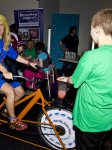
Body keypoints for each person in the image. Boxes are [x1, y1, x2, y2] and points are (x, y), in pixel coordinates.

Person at [57, 9, 112, 150]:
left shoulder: (91, 56)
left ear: (98, 28)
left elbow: (74, 81)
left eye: (91, 28)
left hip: (89, 120)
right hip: (107, 119)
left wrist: (66, 78)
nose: (90, 32)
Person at [0, 14, 36, 131]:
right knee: (10, 91)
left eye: (1, 25)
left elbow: (15, 56)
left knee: (20, 92)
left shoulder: (5, 41)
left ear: (5, 27)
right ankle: (13, 121)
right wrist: (5, 70)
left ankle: (7, 110)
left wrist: (29, 63)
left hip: (1, 72)